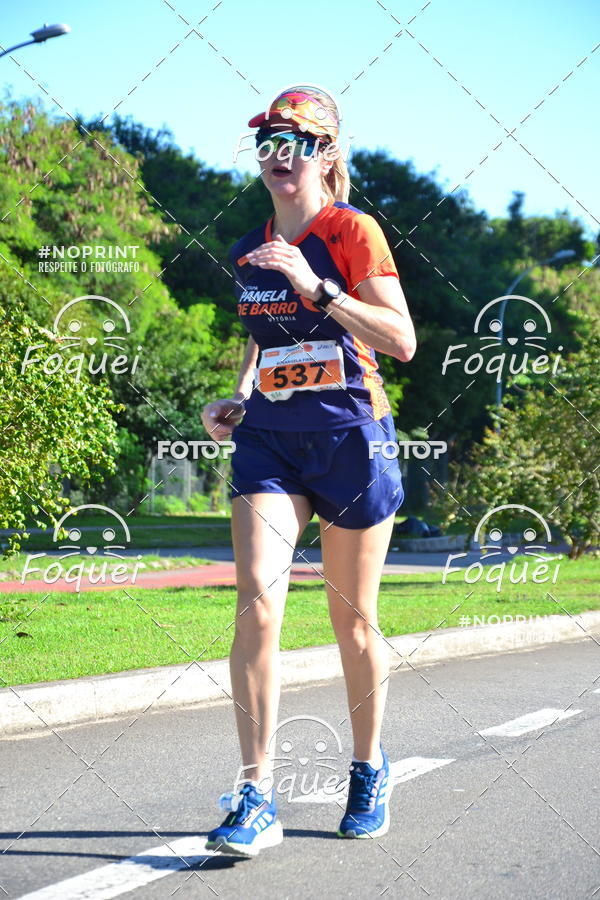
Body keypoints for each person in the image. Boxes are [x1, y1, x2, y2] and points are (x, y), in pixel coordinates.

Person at [202, 84, 416, 857]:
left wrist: (316, 285)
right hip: (270, 441)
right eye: (266, 141)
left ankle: (368, 766)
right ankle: (255, 795)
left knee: (351, 622)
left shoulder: (352, 231)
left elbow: (401, 340)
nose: (277, 154)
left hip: (352, 438)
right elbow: (264, 342)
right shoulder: (248, 248)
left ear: (325, 154)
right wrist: (237, 396)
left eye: (293, 141)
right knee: (256, 608)